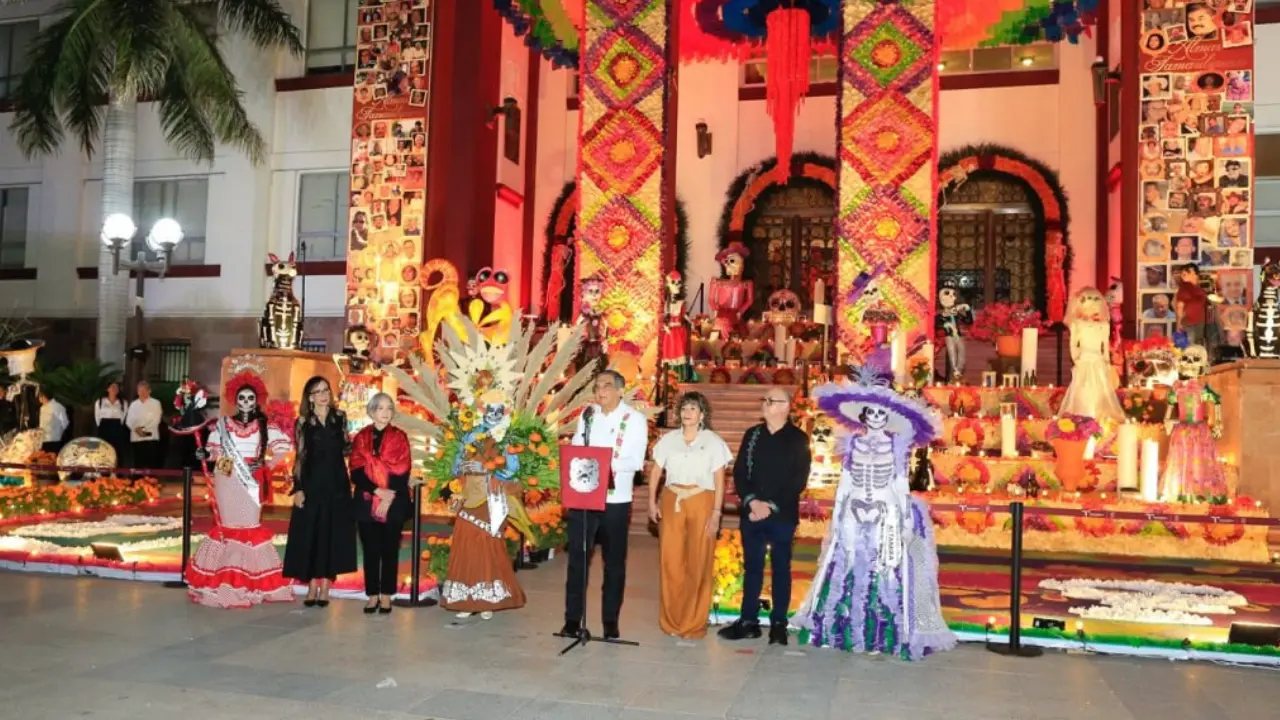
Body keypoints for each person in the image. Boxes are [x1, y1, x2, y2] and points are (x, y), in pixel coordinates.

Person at [792, 371, 956, 659]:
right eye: (872, 413)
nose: (877, 417)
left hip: (886, 509)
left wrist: (904, 516)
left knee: (886, 567)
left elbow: (899, 482)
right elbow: (846, 481)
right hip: (853, 506)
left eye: (882, 413)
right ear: (864, 416)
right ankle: (844, 627)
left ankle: (883, 631)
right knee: (849, 562)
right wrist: (838, 511)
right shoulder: (852, 443)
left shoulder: (897, 446)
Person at [187, 370, 295, 608]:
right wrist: (204, 453)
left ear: (256, 400)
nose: (246, 402)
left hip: (252, 476)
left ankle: (249, 581)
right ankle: (223, 580)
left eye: (250, 398)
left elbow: (284, 446)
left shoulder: (264, 425)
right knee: (228, 526)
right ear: (235, 400)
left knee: (249, 527)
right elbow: (214, 450)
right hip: (226, 471)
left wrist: (266, 464)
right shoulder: (223, 424)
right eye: (242, 398)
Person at [718, 387, 811, 645]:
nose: (766, 404)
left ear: (786, 407)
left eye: (772, 401)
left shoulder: (798, 439)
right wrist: (752, 502)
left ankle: (779, 622)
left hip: (781, 515)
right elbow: (739, 473)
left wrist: (769, 505)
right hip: (752, 513)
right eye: (765, 400)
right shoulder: (753, 435)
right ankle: (748, 620)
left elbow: (798, 479)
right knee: (753, 567)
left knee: (781, 568)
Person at [561, 369, 649, 640]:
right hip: (584, 497)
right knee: (578, 560)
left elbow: (635, 462)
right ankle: (572, 620)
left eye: (607, 386)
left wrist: (602, 462)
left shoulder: (634, 420)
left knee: (613, 563)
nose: (601, 391)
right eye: (597, 386)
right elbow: (577, 448)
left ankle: (610, 622)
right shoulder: (587, 416)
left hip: (615, 500)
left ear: (621, 390)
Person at [646, 391, 732, 639]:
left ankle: (693, 624)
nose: (687, 413)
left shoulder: (714, 442)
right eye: (684, 408)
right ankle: (671, 621)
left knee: (698, 561)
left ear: (702, 414)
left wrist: (717, 512)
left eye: (693, 408)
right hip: (672, 500)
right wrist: (652, 501)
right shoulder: (668, 440)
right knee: (670, 561)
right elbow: (655, 472)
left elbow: (719, 479)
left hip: (702, 500)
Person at [441, 390, 528, 618]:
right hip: (468, 496)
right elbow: (454, 467)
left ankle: (487, 599)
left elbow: (513, 470)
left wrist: (487, 469)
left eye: (499, 411)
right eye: (490, 410)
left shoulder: (507, 438)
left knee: (489, 546)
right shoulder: (470, 435)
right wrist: (463, 468)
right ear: (482, 411)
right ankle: (466, 599)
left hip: (493, 498)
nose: (494, 415)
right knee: (466, 544)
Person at [283, 376, 357, 607]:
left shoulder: (340, 418)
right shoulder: (303, 422)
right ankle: (312, 584)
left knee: (332, 534)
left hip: (337, 484)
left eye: (326, 389)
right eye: (317, 391)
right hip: (313, 484)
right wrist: (298, 488)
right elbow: (300, 458)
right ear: (310, 397)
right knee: (313, 533)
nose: (323, 394)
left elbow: (347, 449)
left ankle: (326, 584)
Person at [350, 392, 413, 614]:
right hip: (366, 501)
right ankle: (372, 595)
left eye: (389, 408)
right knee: (370, 550)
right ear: (372, 411)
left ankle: (386, 595)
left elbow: (403, 470)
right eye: (380, 408)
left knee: (389, 550)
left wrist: (387, 498)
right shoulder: (360, 438)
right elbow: (355, 471)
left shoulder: (399, 437)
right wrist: (376, 491)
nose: (385, 413)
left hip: (394, 501)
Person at [1059, 288, 1126, 422]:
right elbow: (1073, 344)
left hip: (1098, 361)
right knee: (1082, 389)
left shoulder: (1103, 325)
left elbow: (1105, 347)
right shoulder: (1076, 324)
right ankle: (1082, 417)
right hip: (1083, 360)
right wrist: (1076, 359)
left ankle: (1099, 417)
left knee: (1100, 389)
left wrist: (1107, 363)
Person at [125, 381, 163, 470]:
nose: (142, 393)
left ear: (149, 391)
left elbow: (156, 420)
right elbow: (129, 420)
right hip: (136, 437)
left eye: (144, 390)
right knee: (138, 463)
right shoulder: (133, 404)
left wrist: (143, 430)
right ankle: (138, 482)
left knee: (151, 463)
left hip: (151, 437)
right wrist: (136, 429)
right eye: (139, 390)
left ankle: (151, 482)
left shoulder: (156, 403)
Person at [94, 381, 129, 464]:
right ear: (107, 389)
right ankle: (104, 473)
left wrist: (118, 426)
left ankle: (117, 473)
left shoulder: (123, 402)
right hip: (104, 427)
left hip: (117, 427)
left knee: (117, 450)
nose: (114, 389)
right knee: (103, 450)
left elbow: (124, 416)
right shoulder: (100, 401)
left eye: (116, 387)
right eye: (112, 387)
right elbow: (97, 416)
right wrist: (102, 426)